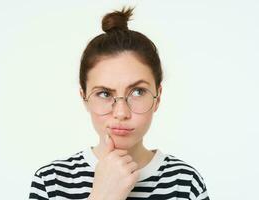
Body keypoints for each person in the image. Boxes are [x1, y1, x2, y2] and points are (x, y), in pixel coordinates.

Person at [29, 7, 210, 200]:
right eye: (104, 93)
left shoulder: (185, 183)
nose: (121, 113)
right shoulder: (51, 182)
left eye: (138, 92)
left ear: (158, 97)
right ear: (84, 98)